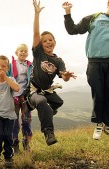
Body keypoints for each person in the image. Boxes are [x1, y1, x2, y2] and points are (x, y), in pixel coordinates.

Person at [62, 0, 109, 143]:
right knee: (98, 93)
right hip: (94, 63)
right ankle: (98, 124)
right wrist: (67, 13)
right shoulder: (93, 18)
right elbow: (72, 30)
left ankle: (108, 125)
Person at [31, 0, 76, 146]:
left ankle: (49, 111)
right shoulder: (38, 54)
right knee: (42, 101)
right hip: (34, 90)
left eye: (51, 40)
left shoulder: (58, 60)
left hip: (47, 90)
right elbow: (36, 33)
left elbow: (63, 76)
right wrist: (37, 14)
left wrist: (66, 76)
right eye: (45, 41)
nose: (48, 42)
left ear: (54, 42)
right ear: (41, 44)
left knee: (58, 102)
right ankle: (48, 132)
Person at [7, 44, 33, 153]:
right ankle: (14, 143)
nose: (23, 52)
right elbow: (6, 77)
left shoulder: (30, 65)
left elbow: (33, 78)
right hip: (14, 95)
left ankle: (26, 142)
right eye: (21, 50)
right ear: (16, 52)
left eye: (25, 51)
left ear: (27, 54)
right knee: (14, 120)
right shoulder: (11, 65)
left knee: (27, 119)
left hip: (26, 95)